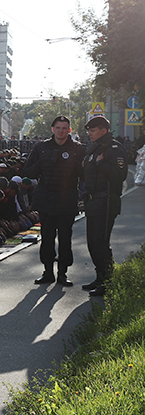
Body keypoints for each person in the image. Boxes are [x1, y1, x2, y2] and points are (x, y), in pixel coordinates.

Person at [21, 116, 85, 286]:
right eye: (58, 128)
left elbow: (86, 175)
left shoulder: (78, 149)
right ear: (52, 129)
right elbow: (28, 172)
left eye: (65, 128)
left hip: (67, 199)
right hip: (46, 199)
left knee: (65, 238)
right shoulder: (41, 148)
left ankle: (62, 273)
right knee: (47, 237)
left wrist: (74, 164)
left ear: (69, 130)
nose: (61, 131)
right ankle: (47, 271)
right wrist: (43, 162)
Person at [81, 115, 128, 296]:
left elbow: (120, 174)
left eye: (93, 131)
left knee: (101, 242)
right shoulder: (94, 149)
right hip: (93, 201)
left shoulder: (114, 149)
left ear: (104, 130)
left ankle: (108, 280)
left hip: (106, 200)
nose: (90, 134)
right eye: (89, 131)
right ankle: (100, 277)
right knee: (92, 243)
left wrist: (102, 164)